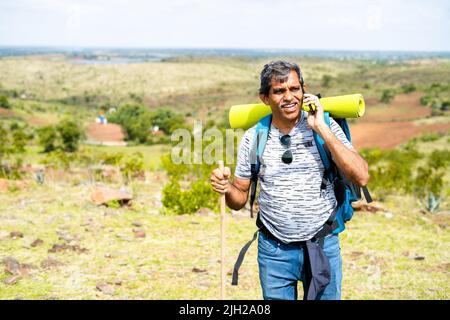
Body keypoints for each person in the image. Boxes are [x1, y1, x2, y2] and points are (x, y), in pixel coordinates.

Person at [210, 60, 369, 300]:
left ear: (304, 91)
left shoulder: (325, 126)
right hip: (274, 251)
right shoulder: (254, 138)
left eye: (295, 89)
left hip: (322, 244)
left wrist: (322, 128)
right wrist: (227, 187)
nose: (289, 97)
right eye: (279, 91)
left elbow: (361, 176)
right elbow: (239, 197)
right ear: (265, 97)